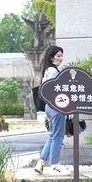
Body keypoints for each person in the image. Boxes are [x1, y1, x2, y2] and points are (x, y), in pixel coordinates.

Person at [34, 45, 66, 174]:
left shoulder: (47, 70)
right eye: (58, 56)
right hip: (56, 107)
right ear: (52, 57)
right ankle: (55, 164)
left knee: (53, 135)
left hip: (49, 107)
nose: (61, 58)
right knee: (58, 136)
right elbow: (53, 91)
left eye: (61, 55)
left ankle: (41, 162)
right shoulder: (53, 71)